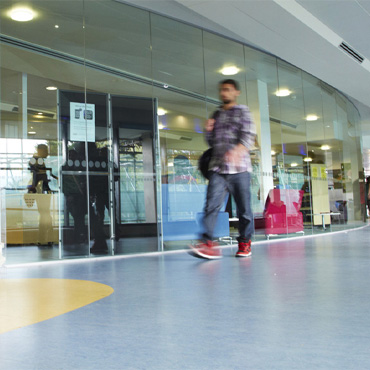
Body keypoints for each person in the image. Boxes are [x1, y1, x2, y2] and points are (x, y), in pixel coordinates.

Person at [190, 79, 256, 259]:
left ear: (236, 92)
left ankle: (244, 242)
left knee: (244, 210)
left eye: (227, 90)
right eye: (221, 90)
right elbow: (211, 143)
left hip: (240, 169)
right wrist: (208, 131)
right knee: (211, 206)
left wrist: (237, 151)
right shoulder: (217, 114)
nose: (223, 93)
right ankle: (207, 243)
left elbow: (248, 137)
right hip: (218, 169)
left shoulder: (243, 112)